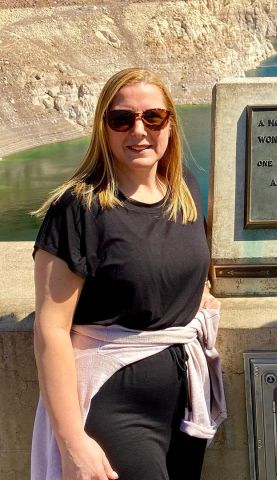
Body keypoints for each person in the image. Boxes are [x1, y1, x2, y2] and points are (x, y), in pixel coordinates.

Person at [31, 67, 223, 480]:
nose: (139, 130)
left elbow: (177, 264)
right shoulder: (77, 209)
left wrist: (192, 296)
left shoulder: (184, 191)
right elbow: (50, 330)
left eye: (153, 117)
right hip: (114, 405)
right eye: (123, 119)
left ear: (170, 124)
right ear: (104, 127)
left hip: (183, 405)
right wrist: (72, 442)